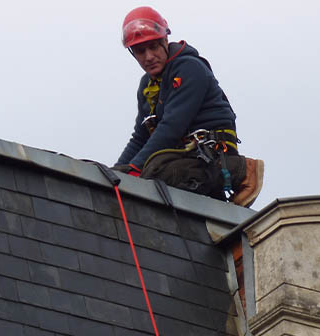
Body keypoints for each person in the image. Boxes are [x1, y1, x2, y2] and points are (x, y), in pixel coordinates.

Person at [113, 7, 264, 207]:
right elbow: (140, 138)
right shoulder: (147, 86)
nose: (148, 57)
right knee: (146, 175)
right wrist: (115, 174)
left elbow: (172, 126)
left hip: (213, 153)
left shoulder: (189, 69)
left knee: (158, 173)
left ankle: (242, 171)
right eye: (141, 51)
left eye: (154, 47)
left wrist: (135, 168)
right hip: (185, 156)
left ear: (165, 41)